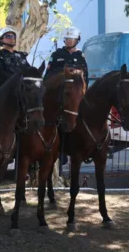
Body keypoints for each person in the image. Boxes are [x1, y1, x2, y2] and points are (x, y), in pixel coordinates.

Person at [44, 26, 89, 167]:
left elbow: (85, 77)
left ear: (77, 40)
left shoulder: (80, 56)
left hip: (76, 96)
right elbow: (49, 75)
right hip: (60, 95)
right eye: (67, 39)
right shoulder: (56, 55)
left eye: (72, 39)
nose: (69, 41)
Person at [0, 26, 31, 92]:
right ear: (1, 40)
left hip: (22, 90)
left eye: (13, 36)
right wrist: (18, 79)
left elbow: (29, 71)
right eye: (8, 36)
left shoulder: (21, 55)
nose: (12, 38)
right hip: (4, 92)